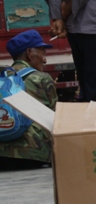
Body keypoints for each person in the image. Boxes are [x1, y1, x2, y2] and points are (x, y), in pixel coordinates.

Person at [0, 30, 57, 167]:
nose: (44, 59)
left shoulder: (2, 79)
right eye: (42, 53)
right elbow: (57, 120)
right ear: (30, 53)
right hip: (33, 155)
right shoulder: (42, 79)